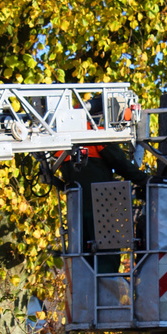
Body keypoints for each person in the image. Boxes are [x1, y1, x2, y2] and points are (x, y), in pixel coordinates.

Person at [60, 99, 148, 272]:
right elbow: (120, 163)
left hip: (76, 213)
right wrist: (146, 180)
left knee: (81, 261)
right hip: (101, 207)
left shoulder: (62, 143)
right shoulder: (95, 133)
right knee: (106, 259)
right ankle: (108, 296)